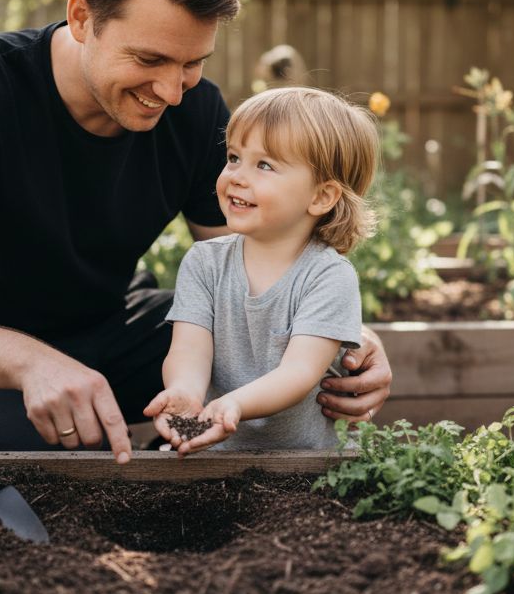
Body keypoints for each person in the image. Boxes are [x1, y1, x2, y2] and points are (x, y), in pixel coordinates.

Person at [0, 0, 393, 461]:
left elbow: (256, 261)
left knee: (266, 365)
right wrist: (33, 362)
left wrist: (339, 333)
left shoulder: (195, 110)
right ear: (80, 17)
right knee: (34, 477)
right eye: (150, 59)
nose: (171, 91)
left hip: (118, 330)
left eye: (193, 64)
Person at [144, 87, 377, 454]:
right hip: (212, 457)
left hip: (305, 466)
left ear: (321, 197)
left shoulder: (328, 276)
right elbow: (190, 349)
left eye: (264, 165)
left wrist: (235, 404)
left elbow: (298, 374)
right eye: (234, 157)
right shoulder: (205, 262)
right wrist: (184, 391)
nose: (236, 176)